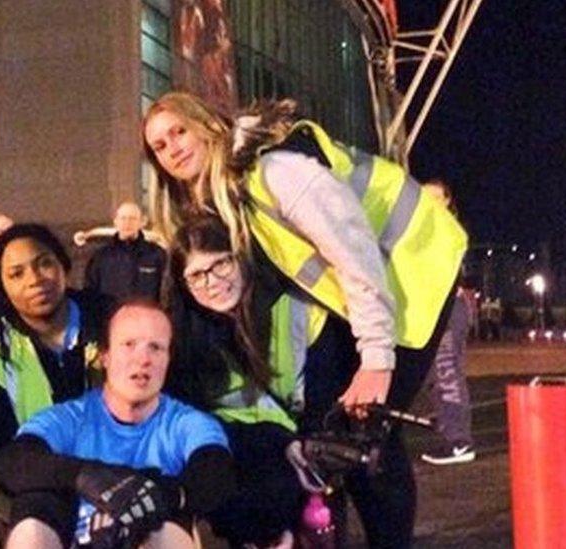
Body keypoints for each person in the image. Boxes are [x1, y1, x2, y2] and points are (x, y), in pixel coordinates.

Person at [142, 92, 467, 546]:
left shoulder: (275, 172)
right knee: (334, 439)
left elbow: (353, 250)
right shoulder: (222, 198)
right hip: (352, 303)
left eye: (179, 131)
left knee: (366, 433)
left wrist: (376, 357)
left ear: (207, 125)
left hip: (414, 263)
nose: (172, 148)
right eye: (159, 146)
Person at [0, 300, 235, 549]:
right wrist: (87, 476)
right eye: (129, 345)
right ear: (105, 356)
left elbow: (216, 474)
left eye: (156, 348)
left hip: (144, 540)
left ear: (168, 359)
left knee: (168, 525)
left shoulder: (187, 423)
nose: (143, 359)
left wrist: (157, 495)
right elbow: (10, 462)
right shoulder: (69, 418)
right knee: (33, 515)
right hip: (71, 539)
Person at [167, 215, 320, 548]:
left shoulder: (292, 305)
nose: (211, 282)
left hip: (309, 441)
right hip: (242, 451)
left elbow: (323, 383)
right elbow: (194, 419)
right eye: (196, 275)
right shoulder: (184, 340)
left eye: (220, 264)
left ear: (240, 256)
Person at [0, 223, 108, 458]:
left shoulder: (112, 324)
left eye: (45, 263)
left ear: (63, 265)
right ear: (2, 286)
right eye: (17, 274)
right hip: (35, 481)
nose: (35, 279)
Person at [419, 180, 476, 465]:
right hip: (432, 307)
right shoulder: (424, 228)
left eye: (435, 198)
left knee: (446, 371)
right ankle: (449, 426)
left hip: (447, 307)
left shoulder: (446, 231)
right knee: (434, 373)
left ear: (447, 201)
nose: (428, 202)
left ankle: (459, 442)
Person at [83, 201, 167, 303]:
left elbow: (167, 293)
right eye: (123, 218)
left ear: (142, 222)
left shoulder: (157, 255)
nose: (127, 223)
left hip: (147, 317)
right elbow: (89, 294)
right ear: (115, 222)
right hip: (111, 317)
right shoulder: (101, 257)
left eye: (132, 218)